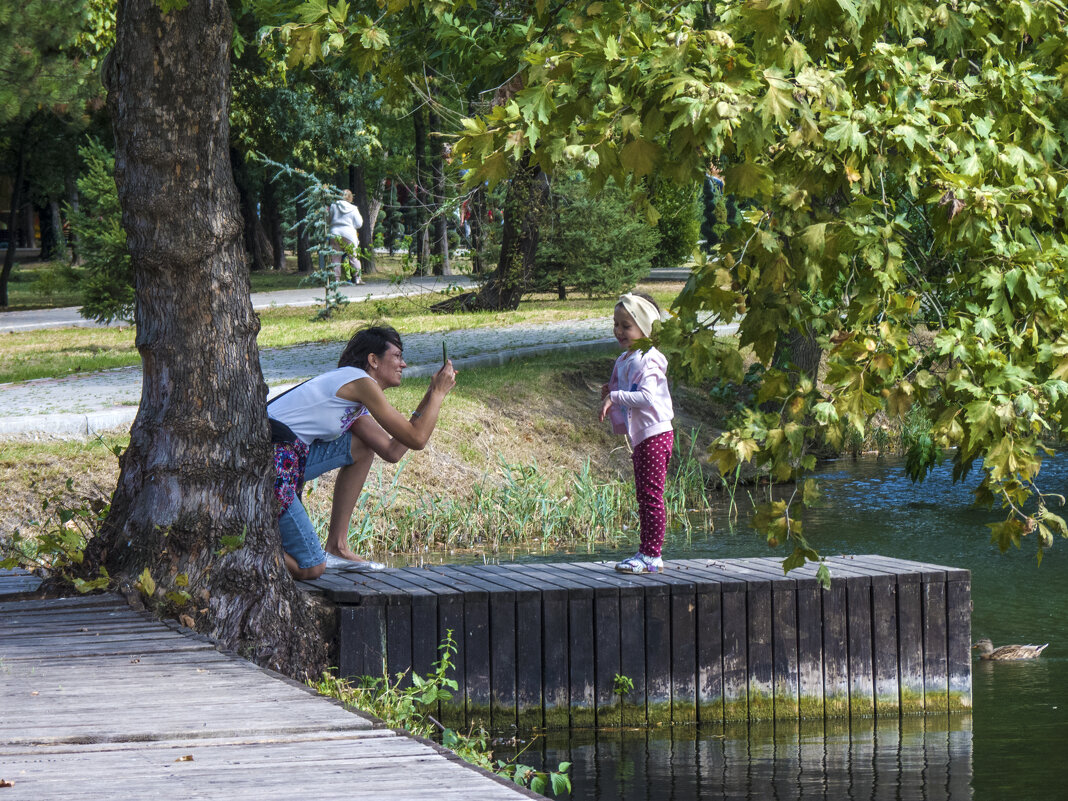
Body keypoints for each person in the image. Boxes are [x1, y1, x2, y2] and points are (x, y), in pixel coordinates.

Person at [269, 326, 456, 580]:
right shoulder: (361, 382)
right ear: (373, 360)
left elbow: (392, 450)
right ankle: (254, 551)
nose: (404, 364)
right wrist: (438, 394)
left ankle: (337, 545)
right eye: (397, 356)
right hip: (269, 464)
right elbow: (418, 439)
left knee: (361, 447)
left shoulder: (354, 398)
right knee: (311, 567)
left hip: (291, 459)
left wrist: (428, 397)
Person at [599, 293, 675, 574]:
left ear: (645, 328)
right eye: (616, 324)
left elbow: (646, 397)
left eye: (626, 326)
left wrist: (615, 397)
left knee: (651, 495)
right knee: (645, 495)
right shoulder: (630, 356)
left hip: (655, 435)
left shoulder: (648, 359)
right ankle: (646, 552)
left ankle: (652, 556)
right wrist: (612, 391)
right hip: (644, 436)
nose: (619, 331)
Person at [327, 189, 364, 283]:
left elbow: (328, 220)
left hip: (334, 233)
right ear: (350, 197)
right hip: (349, 235)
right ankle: (357, 278)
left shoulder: (333, 206)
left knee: (335, 258)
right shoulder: (353, 208)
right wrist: (351, 226)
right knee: (353, 257)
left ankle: (336, 279)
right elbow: (359, 224)